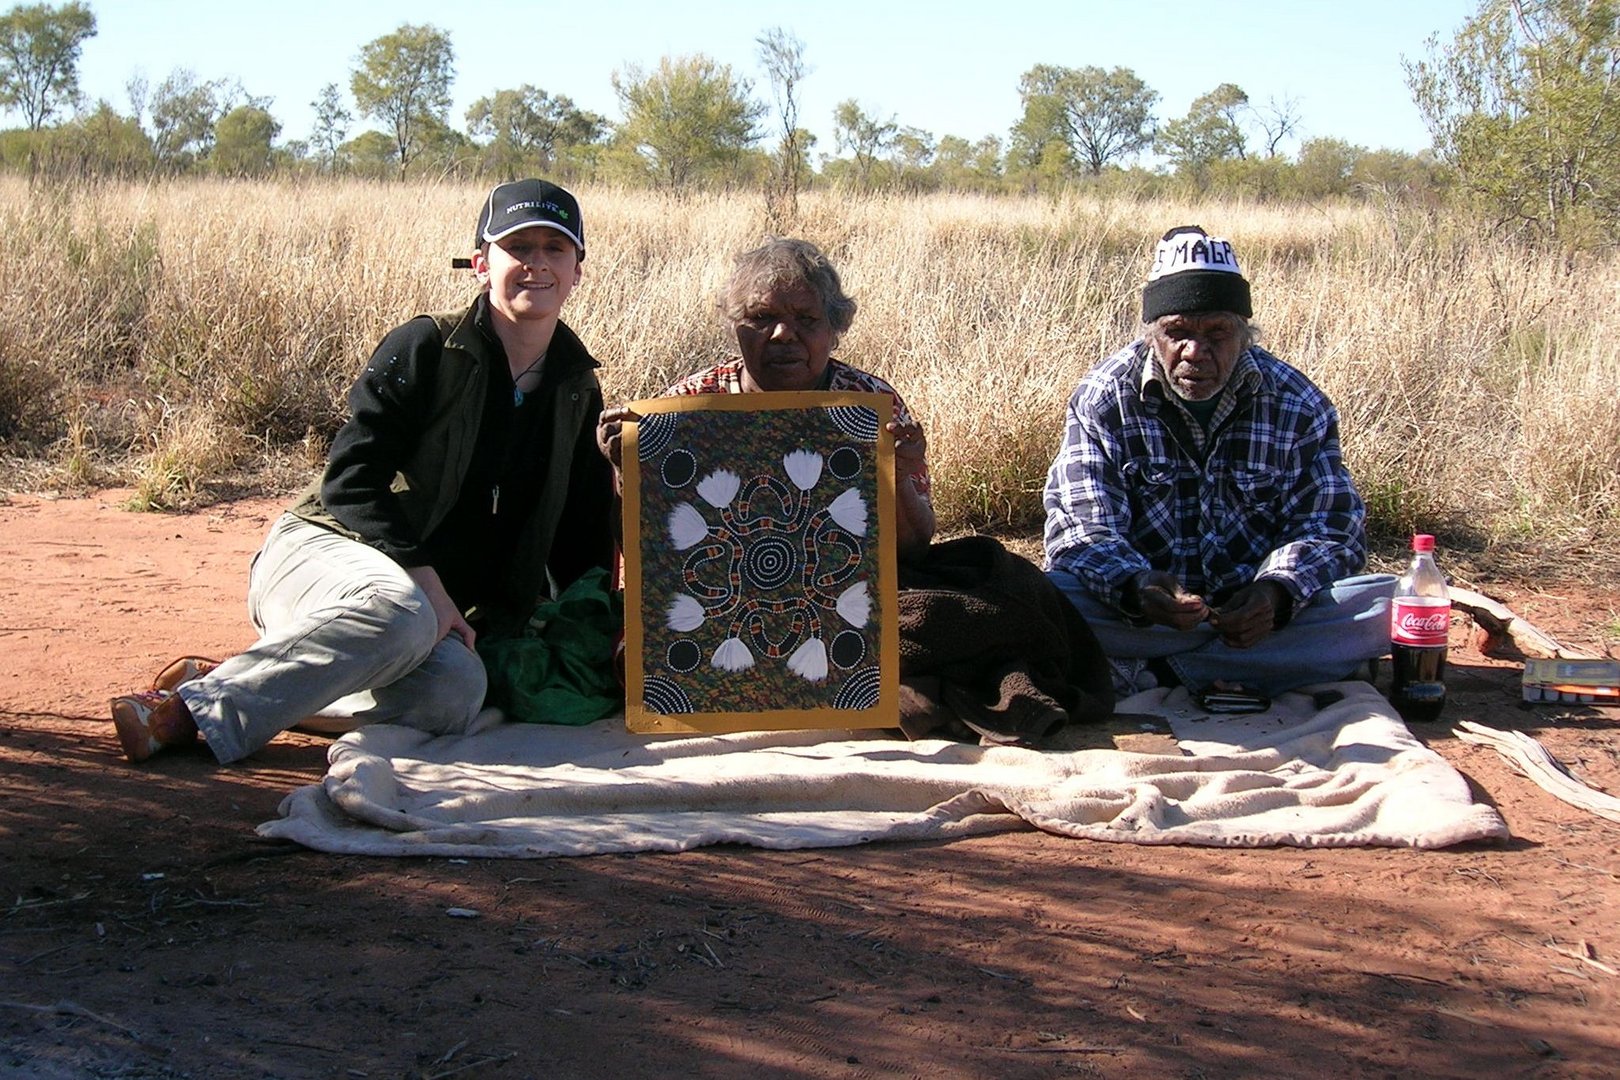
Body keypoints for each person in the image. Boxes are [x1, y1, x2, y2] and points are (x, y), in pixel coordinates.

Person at [110, 178, 615, 764]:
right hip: (321, 553)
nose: (537, 264)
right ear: (481, 263)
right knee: (403, 615)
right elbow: (350, 480)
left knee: (455, 694)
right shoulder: (427, 347)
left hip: (415, 612)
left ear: (578, 270)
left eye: (555, 249)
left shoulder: (577, 389)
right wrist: (430, 586)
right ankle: (185, 712)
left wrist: (599, 627)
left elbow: (580, 537)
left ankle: (242, 678)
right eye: (518, 247)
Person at [1043, 225, 1392, 699]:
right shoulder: (1105, 397)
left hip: (1257, 618)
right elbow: (1079, 529)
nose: (1194, 352)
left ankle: (1153, 671)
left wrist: (1277, 593)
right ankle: (1243, 668)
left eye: (1216, 333)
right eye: (1178, 333)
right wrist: (1135, 585)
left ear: (1245, 335)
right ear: (1152, 336)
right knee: (1046, 599)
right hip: (1141, 614)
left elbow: (1331, 530)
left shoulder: (1296, 401)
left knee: (1383, 605)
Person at [597, 237, 935, 560]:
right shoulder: (690, 405)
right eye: (762, 317)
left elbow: (913, 548)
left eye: (806, 319)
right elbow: (646, 554)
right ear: (735, 328)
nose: (783, 334)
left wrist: (898, 477)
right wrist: (628, 472)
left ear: (833, 330)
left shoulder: (870, 404)